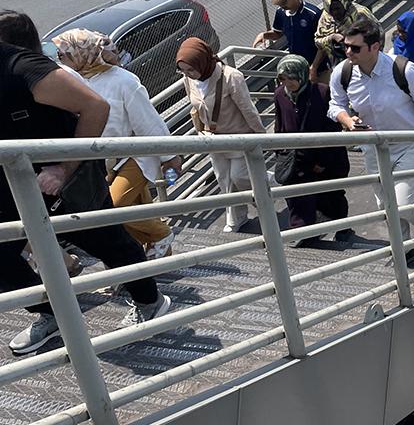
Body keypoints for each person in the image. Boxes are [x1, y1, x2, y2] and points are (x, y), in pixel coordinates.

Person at [0, 26, 171, 355]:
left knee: (108, 243)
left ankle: (151, 301)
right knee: (2, 253)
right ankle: (54, 316)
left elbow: (96, 107)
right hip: (14, 181)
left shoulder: (22, 67)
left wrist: (63, 168)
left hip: (63, 179)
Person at [51, 29, 178, 259]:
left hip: (133, 154)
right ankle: (143, 258)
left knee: (115, 207)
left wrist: (169, 156)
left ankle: (160, 235)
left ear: (82, 54)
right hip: (104, 161)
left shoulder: (123, 81)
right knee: (132, 210)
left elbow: (148, 121)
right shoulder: (74, 81)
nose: (60, 59)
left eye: (64, 54)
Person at [330, 18, 414, 265]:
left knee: (402, 204)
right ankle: (405, 250)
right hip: (373, 146)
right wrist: (347, 121)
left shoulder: (404, 70)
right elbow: (335, 104)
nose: (348, 52)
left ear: (375, 47)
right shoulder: (344, 72)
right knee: (386, 206)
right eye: (346, 47)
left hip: (409, 143)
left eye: (355, 48)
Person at [177, 37, 267, 233]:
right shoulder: (188, 80)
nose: (187, 74)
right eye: (183, 70)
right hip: (213, 140)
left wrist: (262, 137)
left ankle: (270, 189)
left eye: (191, 69)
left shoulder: (230, 77)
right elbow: (197, 107)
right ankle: (236, 218)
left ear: (202, 61)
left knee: (240, 177)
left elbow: (248, 110)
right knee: (225, 180)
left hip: (238, 138)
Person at [273, 55, 353, 248]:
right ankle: (303, 231)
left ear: (301, 75)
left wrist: (323, 161)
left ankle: (342, 227)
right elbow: (279, 125)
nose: (288, 83)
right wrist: (280, 152)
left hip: (325, 155)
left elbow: (332, 128)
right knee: (296, 194)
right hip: (295, 156)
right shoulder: (279, 95)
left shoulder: (321, 92)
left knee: (331, 194)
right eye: (283, 79)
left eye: (292, 78)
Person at [312, 0, 374, 84]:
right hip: (339, 65)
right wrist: (332, 37)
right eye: (331, 9)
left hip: (364, 64)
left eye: (337, 8)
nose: (335, 12)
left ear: (344, 3)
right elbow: (318, 41)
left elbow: (377, 37)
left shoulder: (360, 14)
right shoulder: (326, 17)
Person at [253, 0, 322, 65]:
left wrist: (314, 67)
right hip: (297, 65)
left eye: (284, 2)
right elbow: (278, 33)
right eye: (279, 3)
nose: (282, 6)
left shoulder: (313, 14)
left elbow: (323, 44)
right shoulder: (281, 12)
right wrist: (264, 35)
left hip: (318, 66)